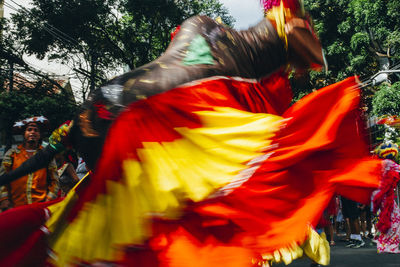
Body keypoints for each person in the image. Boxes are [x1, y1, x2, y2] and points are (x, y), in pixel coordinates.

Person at [0, 1, 397, 266]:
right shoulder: (216, 56)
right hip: (126, 122)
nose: (293, 72)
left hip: (120, 118)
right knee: (118, 229)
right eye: (289, 57)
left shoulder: (213, 43)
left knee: (90, 221)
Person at [0, 116, 59, 211]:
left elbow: (54, 181)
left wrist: (48, 201)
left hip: (39, 209)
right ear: (24, 134)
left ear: (39, 135)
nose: (32, 132)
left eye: (36, 130)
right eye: (29, 129)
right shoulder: (12, 154)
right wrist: (4, 199)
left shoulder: (46, 154)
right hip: (14, 208)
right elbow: (3, 178)